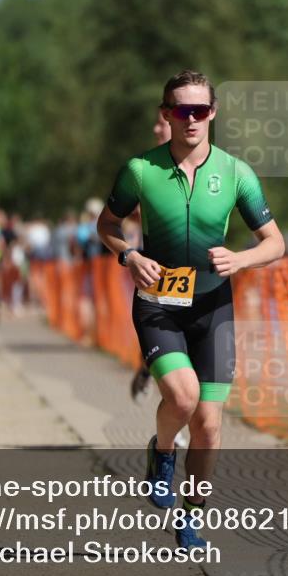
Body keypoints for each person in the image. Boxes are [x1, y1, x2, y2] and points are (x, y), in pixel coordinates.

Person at [98, 70, 285, 549]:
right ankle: (162, 453)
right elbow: (107, 223)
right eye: (182, 110)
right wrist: (129, 254)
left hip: (213, 306)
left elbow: (275, 243)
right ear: (166, 114)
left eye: (201, 110)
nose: (192, 119)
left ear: (213, 113)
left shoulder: (236, 172)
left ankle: (192, 516)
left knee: (209, 423)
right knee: (181, 399)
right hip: (159, 301)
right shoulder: (141, 170)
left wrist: (240, 258)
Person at [129, 107, 173, 403]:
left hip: (198, 277)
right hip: (157, 276)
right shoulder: (146, 167)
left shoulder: (206, 166)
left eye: (161, 125)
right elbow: (126, 211)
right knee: (170, 361)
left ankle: (146, 370)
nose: (156, 131)